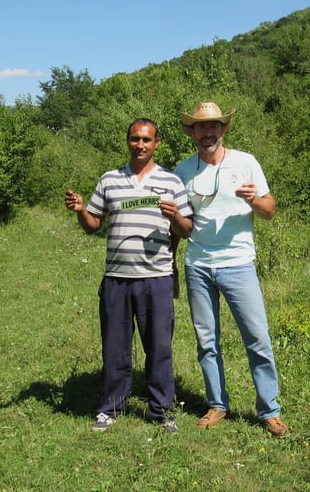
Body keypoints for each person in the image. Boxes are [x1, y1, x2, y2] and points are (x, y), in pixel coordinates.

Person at [65, 118, 193, 433]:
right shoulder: (109, 180)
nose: (140, 145)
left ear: (156, 144)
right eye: (135, 139)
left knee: (160, 347)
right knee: (115, 347)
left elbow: (187, 230)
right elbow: (93, 225)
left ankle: (161, 410)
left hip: (157, 278)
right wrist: (82, 209)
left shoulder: (172, 182)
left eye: (146, 140)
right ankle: (110, 408)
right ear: (128, 142)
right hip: (116, 278)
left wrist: (174, 215)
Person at [174, 102, 289, 438]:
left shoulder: (246, 162)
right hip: (198, 266)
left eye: (214, 126)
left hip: (238, 265)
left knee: (257, 339)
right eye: (200, 127)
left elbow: (270, 210)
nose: (207, 133)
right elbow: (182, 225)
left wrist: (254, 200)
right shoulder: (183, 171)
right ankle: (217, 404)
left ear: (223, 130)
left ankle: (269, 410)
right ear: (192, 132)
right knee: (206, 341)